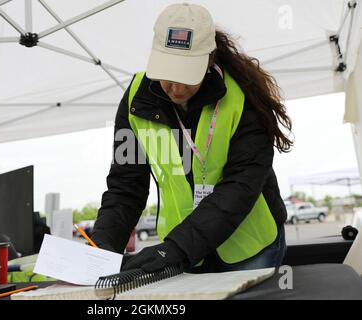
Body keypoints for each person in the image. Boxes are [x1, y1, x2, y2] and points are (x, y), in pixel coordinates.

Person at [91, 3, 292, 273]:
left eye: (187, 76)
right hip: (184, 249)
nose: (176, 88)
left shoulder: (244, 98)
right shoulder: (136, 101)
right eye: (167, 74)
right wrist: (103, 246)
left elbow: (240, 188)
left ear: (209, 60)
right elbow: (126, 185)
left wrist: (176, 249)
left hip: (248, 247)